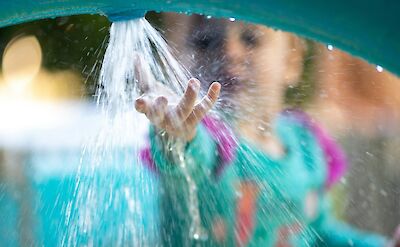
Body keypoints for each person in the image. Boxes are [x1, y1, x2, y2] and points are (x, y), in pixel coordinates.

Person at [135, 15, 400, 246]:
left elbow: (319, 235)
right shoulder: (206, 138)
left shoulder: (305, 144)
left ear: (291, 60)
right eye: (205, 41)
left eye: (251, 39)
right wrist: (174, 135)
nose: (230, 51)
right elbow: (182, 161)